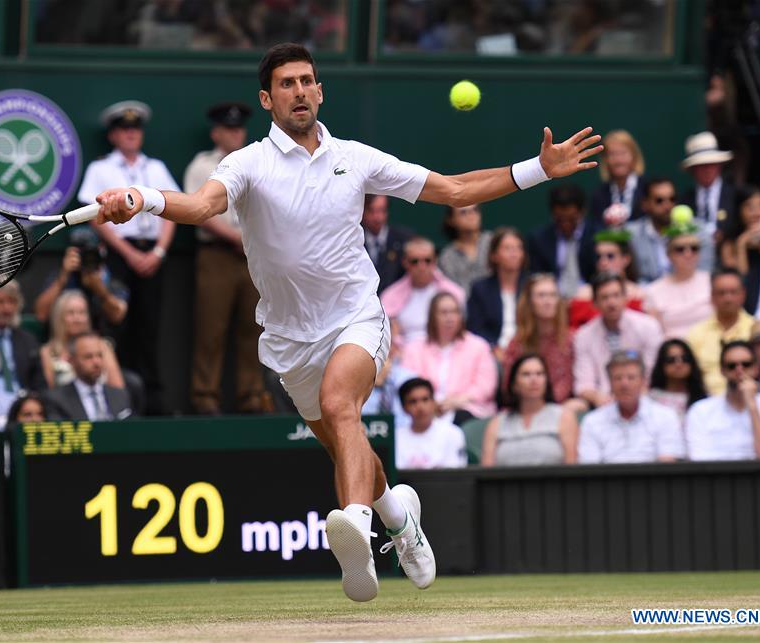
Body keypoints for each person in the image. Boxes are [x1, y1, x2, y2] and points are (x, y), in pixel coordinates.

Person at [94, 42, 602, 602]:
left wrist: (538, 169)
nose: (299, 91)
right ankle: (399, 517)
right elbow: (201, 205)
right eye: (286, 84)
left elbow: (453, 190)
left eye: (307, 80)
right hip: (289, 338)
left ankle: (355, 527)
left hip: (356, 317)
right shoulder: (246, 164)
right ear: (267, 99)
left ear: (320, 91)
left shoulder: (357, 158)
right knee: (346, 445)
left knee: (342, 407)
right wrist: (141, 198)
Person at [78, 100, 179, 414]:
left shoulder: (156, 168)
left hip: (154, 255)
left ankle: (153, 403)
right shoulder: (101, 169)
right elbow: (97, 218)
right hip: (121, 255)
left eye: (135, 129)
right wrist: (130, 253)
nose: (131, 134)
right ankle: (119, 401)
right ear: (113, 136)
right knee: (118, 325)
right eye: (124, 129)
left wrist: (159, 252)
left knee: (150, 327)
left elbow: (173, 210)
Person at [183, 101, 265, 414]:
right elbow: (197, 210)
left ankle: (252, 396)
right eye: (228, 129)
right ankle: (205, 398)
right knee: (210, 329)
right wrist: (236, 237)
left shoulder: (257, 163)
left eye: (239, 128)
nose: (235, 134)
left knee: (253, 327)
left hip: (254, 257)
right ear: (216, 133)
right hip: (217, 254)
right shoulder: (203, 166)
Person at [402, 292, 497, 425]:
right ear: (432, 316)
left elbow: (486, 385)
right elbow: (409, 382)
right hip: (424, 409)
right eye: (444, 312)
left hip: (467, 408)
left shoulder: (478, 346)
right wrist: (430, 403)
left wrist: (458, 400)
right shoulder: (414, 348)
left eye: (454, 312)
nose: (450, 317)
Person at [685, 341, 760, 461]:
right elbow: (699, 461)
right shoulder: (700, 411)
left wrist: (752, 406)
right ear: (722, 371)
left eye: (746, 364)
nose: (739, 370)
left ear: (756, 369)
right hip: (716, 478)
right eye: (731, 366)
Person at [578, 351, 686, 464]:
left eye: (631, 377)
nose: (624, 384)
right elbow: (590, 469)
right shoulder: (593, 421)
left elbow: (667, 466)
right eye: (618, 378)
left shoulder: (665, 417)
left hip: (653, 480)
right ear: (610, 383)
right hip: (606, 480)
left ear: (643, 382)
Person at [573, 273, 663, 408]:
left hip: (644, 396)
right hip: (602, 401)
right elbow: (584, 383)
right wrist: (598, 398)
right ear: (594, 303)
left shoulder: (648, 326)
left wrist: (635, 396)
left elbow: (653, 372)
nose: (611, 303)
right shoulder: (583, 335)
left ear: (625, 298)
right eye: (605, 297)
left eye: (616, 295)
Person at [481, 353, 578, 467]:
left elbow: (572, 467)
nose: (534, 380)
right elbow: (486, 471)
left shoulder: (564, 417)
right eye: (526, 374)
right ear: (514, 384)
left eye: (539, 374)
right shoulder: (496, 423)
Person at [502, 274, 581, 409]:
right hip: (525, 407)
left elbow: (572, 382)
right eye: (541, 295)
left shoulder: (572, 339)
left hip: (562, 408)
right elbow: (509, 387)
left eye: (552, 295)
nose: (548, 301)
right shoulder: (517, 344)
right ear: (530, 302)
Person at [33, 228, 129, 339]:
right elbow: (41, 314)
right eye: (81, 252)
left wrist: (99, 290)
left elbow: (117, 316)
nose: (86, 257)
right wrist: (62, 278)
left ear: (101, 250)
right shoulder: (61, 276)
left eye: (91, 252)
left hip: (100, 343)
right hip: (64, 342)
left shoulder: (112, 279)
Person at [381, 237, 465, 347]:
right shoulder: (390, 296)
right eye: (415, 261)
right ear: (405, 263)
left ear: (435, 261)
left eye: (427, 260)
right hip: (405, 355)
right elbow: (387, 338)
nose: (422, 267)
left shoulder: (454, 293)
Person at [627, 177, 715, 282]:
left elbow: (704, 274)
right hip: (645, 294)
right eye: (659, 201)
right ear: (645, 204)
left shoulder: (698, 231)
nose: (667, 205)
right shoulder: (631, 234)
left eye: (672, 199)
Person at [686, 268, 755, 395]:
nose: (728, 298)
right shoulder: (696, 333)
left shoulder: (755, 329)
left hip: (750, 399)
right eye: (721, 293)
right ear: (712, 296)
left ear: (743, 294)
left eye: (733, 292)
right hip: (705, 403)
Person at [527, 183, 601, 299]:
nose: (565, 224)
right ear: (552, 213)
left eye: (571, 219)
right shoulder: (539, 239)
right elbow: (537, 277)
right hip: (552, 300)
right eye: (560, 219)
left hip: (590, 299)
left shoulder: (597, 236)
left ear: (582, 212)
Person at [40, 290, 125, 390]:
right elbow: (49, 393)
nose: (77, 319)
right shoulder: (48, 352)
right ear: (59, 318)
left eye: (82, 313)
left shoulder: (102, 346)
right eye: (71, 313)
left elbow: (118, 388)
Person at [642, 222, 713, 339]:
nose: (688, 254)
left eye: (694, 248)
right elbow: (654, 334)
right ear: (669, 254)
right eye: (680, 249)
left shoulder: (712, 282)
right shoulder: (653, 290)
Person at [44, 332, 133, 422]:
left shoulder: (120, 395)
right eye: (88, 357)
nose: (96, 362)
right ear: (72, 360)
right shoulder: (57, 399)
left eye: (99, 355)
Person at [466, 227, 526, 354]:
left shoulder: (531, 287)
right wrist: (494, 348)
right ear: (494, 255)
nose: (514, 253)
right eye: (507, 248)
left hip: (526, 351)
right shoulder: (480, 289)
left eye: (518, 248)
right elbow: (476, 329)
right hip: (492, 352)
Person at [568, 230, 644, 329]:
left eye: (610, 256)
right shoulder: (582, 295)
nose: (603, 262)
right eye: (599, 257)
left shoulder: (641, 294)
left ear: (626, 259)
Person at [394, 377, 467, 470]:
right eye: (413, 402)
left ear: (433, 402)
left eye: (425, 399)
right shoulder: (396, 437)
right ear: (404, 408)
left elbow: (455, 475)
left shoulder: (453, 433)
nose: (420, 407)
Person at [679, 131, 736, 238]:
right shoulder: (684, 200)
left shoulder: (736, 196)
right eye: (701, 165)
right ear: (692, 170)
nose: (707, 169)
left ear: (719, 165)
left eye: (712, 164)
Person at [589, 129, 647, 222]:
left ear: (634, 156)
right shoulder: (599, 195)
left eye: (623, 153)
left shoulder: (647, 190)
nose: (618, 160)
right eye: (612, 154)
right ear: (605, 160)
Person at [361, 194, 414, 294]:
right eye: (371, 211)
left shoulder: (404, 239)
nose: (377, 217)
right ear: (362, 211)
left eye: (382, 210)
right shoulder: (353, 241)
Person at [437, 203, 492, 296]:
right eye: (463, 212)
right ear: (451, 220)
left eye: (475, 210)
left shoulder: (493, 243)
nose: (471, 215)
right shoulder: (447, 257)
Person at [648, 339, 707, 422]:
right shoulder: (652, 398)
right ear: (661, 364)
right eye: (671, 360)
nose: (679, 364)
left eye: (685, 358)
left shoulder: (703, 399)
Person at [720, 186, 760, 275]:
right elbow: (741, 279)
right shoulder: (729, 242)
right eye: (750, 207)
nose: (758, 213)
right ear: (739, 210)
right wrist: (741, 243)